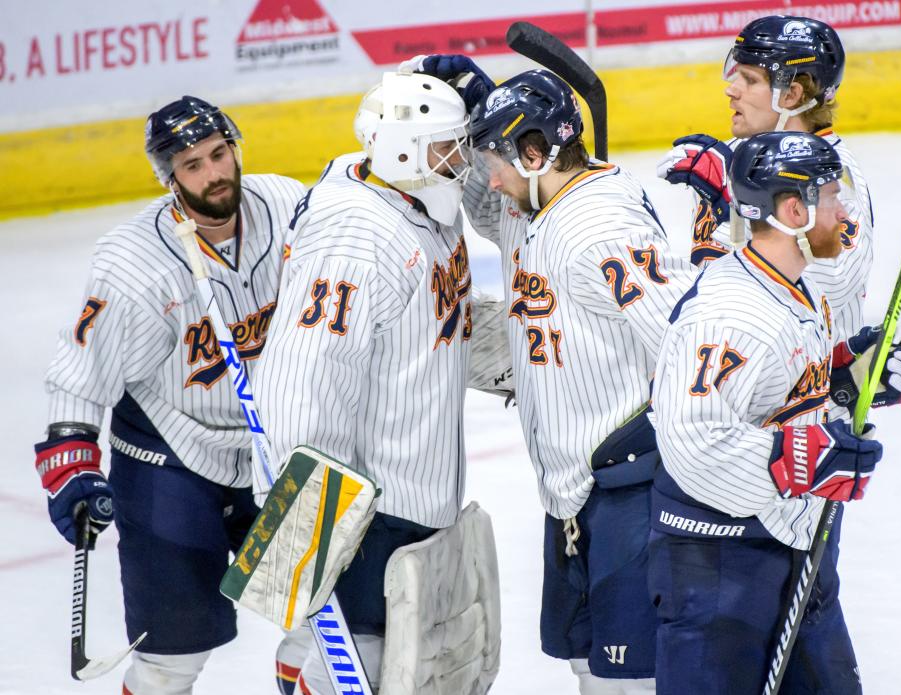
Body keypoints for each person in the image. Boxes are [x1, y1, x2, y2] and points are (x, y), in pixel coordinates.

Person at [411, 55, 699, 692]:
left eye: (494, 158)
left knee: (629, 681)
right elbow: (495, 209)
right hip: (571, 490)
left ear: (536, 154)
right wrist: (486, 104)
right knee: (586, 666)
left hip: (627, 489)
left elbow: (687, 342)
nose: (486, 175)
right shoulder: (536, 203)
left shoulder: (602, 226)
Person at [34, 96, 309, 693]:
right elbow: (81, 371)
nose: (214, 174)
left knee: (324, 620)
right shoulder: (134, 264)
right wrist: (73, 467)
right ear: (169, 177)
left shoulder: (288, 207)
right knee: (172, 660)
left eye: (219, 153)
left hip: (278, 447)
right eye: (192, 165)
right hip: (173, 457)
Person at [254, 70, 499, 695]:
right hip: (366, 513)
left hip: (408, 498)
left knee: (402, 667)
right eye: (449, 147)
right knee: (355, 668)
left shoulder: (415, 199)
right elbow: (300, 379)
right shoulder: (358, 234)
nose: (462, 160)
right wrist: (304, 530)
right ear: (401, 153)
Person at [649, 130, 901, 693]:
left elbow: (777, 395)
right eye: (833, 196)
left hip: (786, 542)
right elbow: (691, 438)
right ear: (794, 210)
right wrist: (800, 461)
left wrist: (848, 378)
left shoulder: (788, 286)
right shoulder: (731, 314)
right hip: (719, 565)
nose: (844, 211)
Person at [658, 15, 873, 343]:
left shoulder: (834, 176)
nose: (731, 90)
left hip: (810, 380)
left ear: (791, 95)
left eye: (749, 79)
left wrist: (731, 202)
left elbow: (829, 287)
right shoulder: (727, 159)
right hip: (733, 365)